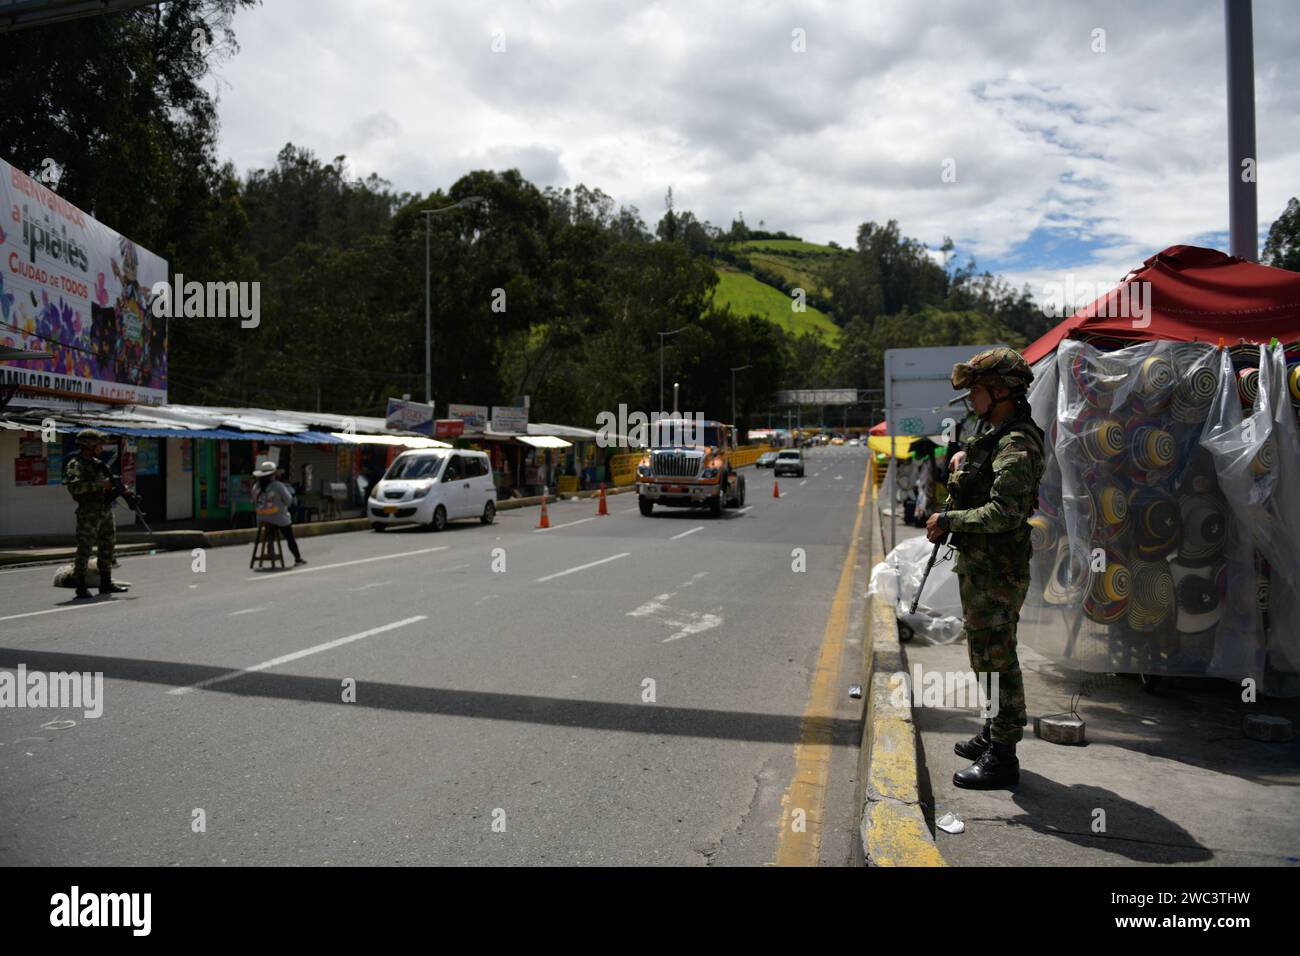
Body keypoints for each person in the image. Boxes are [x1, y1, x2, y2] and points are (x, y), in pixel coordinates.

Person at [926, 348, 1045, 789]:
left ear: (1001, 392)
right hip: (983, 570)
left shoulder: (1016, 442)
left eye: (977, 389)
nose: (971, 397)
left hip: (998, 573)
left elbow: (1005, 513)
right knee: (984, 658)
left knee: (997, 661)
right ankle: (994, 731)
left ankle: (1004, 755)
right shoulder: (997, 436)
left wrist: (948, 520)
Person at [64, 428, 130, 599]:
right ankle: (80, 586)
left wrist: (118, 488)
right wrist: (101, 485)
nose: (102, 447)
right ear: (89, 445)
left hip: (104, 510)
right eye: (99, 444)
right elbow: (75, 487)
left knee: (107, 547)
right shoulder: (75, 465)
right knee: (84, 549)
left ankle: (106, 583)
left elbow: (106, 485)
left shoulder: (98, 464)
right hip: (88, 513)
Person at [253, 460, 306, 566]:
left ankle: (270, 545)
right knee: (289, 535)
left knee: (272, 524)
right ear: (273, 474)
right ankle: (298, 558)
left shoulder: (256, 487)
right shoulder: (278, 485)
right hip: (277, 518)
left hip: (261, 518)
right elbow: (289, 501)